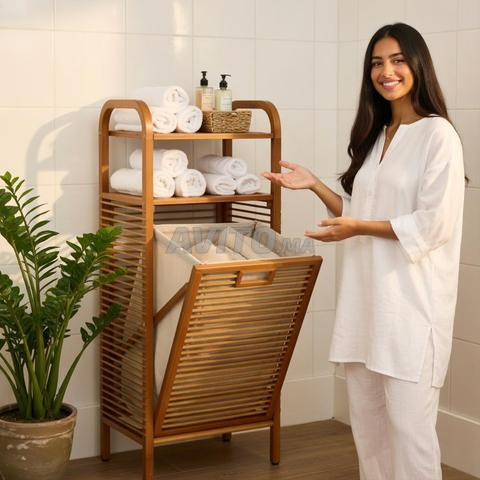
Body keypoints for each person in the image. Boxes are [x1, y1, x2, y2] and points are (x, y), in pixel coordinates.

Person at [263, 23, 466, 480]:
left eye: (397, 60)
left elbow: (434, 224)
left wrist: (356, 227)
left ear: (418, 64)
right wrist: (316, 185)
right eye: (377, 63)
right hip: (366, 306)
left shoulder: (438, 136)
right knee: (370, 434)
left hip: (411, 311)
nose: (386, 71)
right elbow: (362, 213)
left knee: (410, 434)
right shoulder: (378, 134)